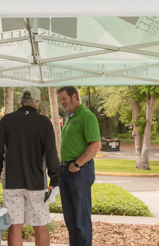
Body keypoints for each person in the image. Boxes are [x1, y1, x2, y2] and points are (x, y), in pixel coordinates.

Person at [0, 87, 60, 246]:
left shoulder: (7, 120)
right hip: (37, 184)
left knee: (15, 227)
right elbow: (51, 153)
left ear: (20, 101)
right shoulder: (44, 122)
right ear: (36, 102)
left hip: (12, 184)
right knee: (40, 226)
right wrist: (55, 181)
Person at [57, 86, 101, 246]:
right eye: (60, 99)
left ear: (74, 96)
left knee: (81, 219)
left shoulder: (86, 116)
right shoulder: (69, 117)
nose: (61, 102)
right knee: (70, 219)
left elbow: (96, 145)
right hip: (65, 171)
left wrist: (77, 164)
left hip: (79, 171)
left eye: (64, 98)